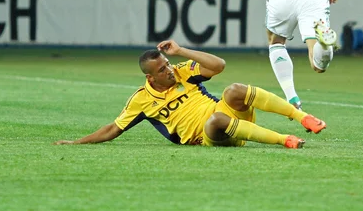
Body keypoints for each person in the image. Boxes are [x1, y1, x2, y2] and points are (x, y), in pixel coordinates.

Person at [55, 40, 326, 148]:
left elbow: (218, 65)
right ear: (150, 77)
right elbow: (113, 128)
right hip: (211, 135)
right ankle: (284, 140)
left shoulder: (182, 71)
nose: (170, 70)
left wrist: (181, 51)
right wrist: (76, 143)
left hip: (232, 116)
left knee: (234, 90)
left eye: (168, 64)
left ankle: (301, 117)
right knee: (215, 121)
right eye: (163, 69)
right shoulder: (141, 100)